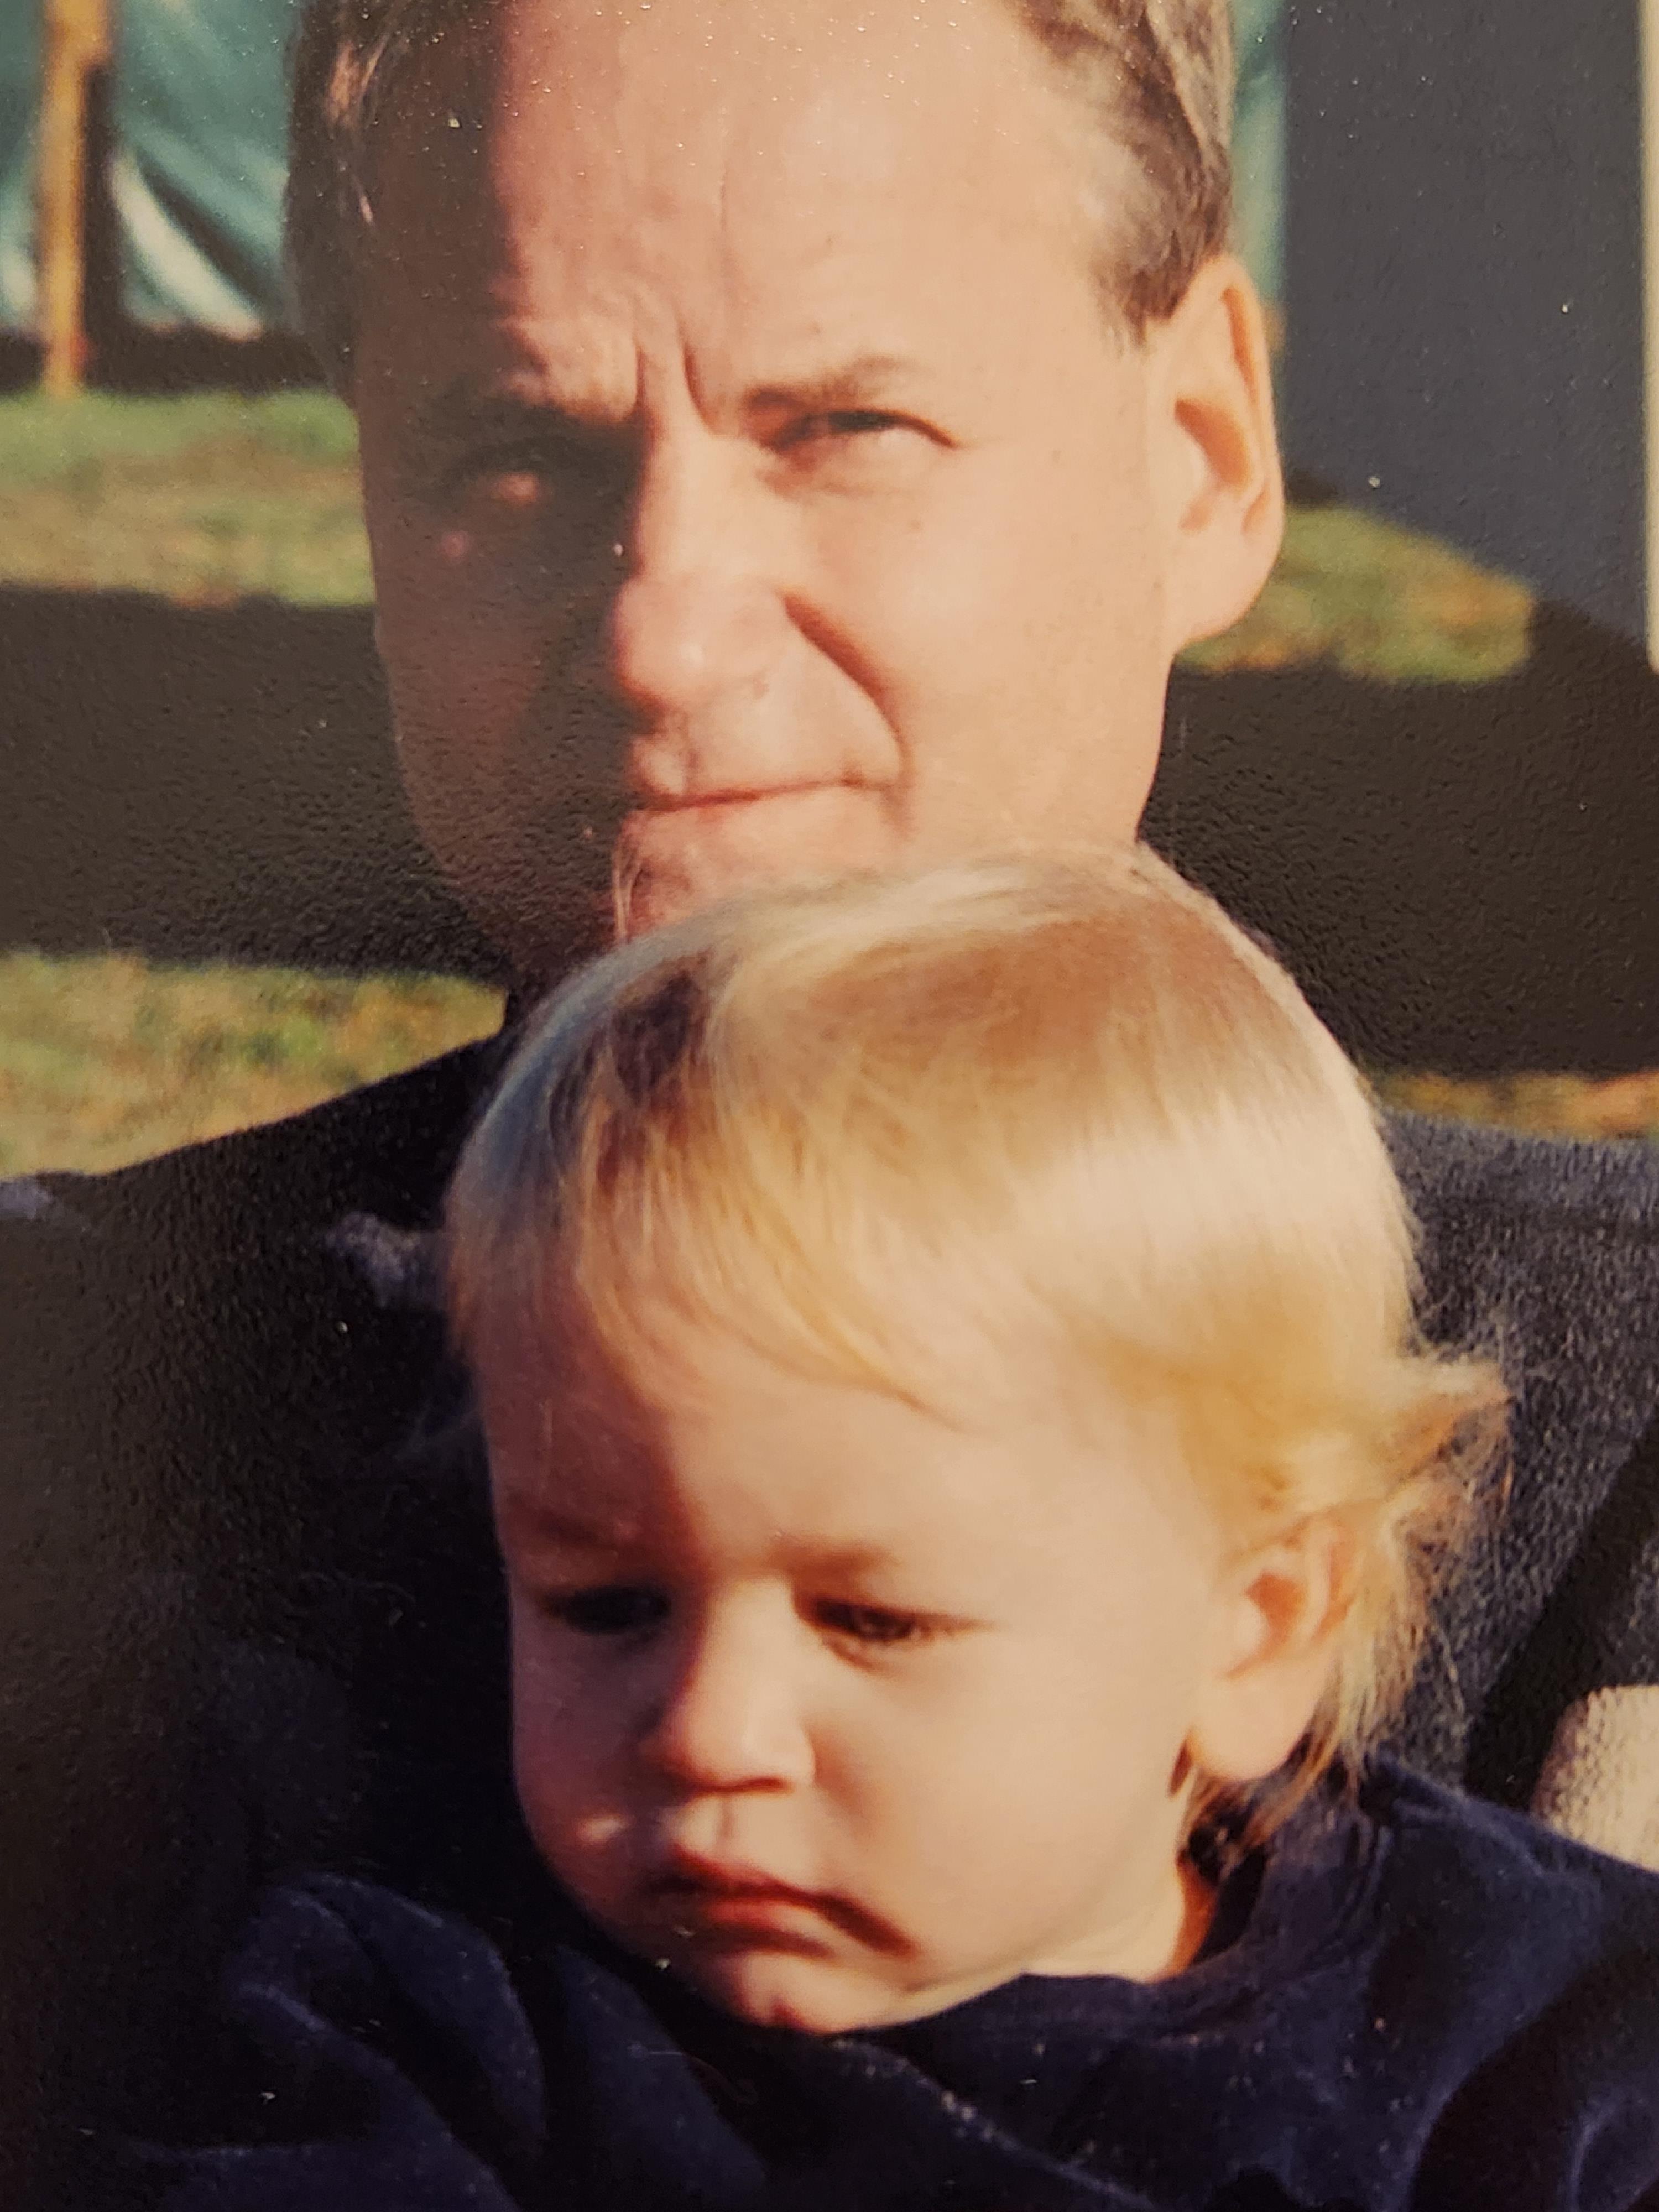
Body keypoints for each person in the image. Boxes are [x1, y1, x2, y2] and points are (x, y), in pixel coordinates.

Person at [6, 0, 1659, 2198]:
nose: (672, 635)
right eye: (515, 449)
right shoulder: (74, 1418)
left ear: (1205, 456)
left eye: (847, 423)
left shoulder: (1624, 1453)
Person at [140, 854, 1659, 2211]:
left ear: (1256, 1623)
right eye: (604, 1602)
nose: (711, 1730)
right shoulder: (444, 2017)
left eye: (872, 1621)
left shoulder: (1537, 2047)